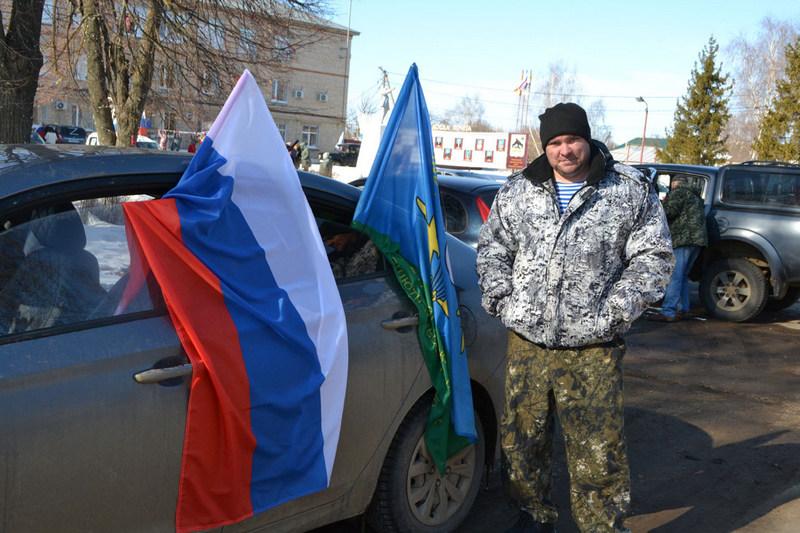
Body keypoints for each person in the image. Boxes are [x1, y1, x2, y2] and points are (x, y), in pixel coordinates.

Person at [476, 102, 673, 533]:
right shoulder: (519, 190)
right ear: (545, 146)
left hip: (593, 347)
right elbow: (492, 249)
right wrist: (504, 302)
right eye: (555, 143)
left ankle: (601, 526)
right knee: (523, 440)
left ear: (587, 139)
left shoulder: (626, 190)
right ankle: (532, 517)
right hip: (527, 342)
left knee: (598, 449)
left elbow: (653, 258)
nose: (565, 150)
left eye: (572, 140)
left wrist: (613, 314)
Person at [646, 176, 707, 322]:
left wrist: (660, 204)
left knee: (675, 276)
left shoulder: (679, 193)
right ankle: (683, 309)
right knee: (683, 276)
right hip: (697, 241)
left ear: (675, 183)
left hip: (683, 239)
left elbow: (668, 212)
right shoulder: (695, 195)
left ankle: (668, 311)